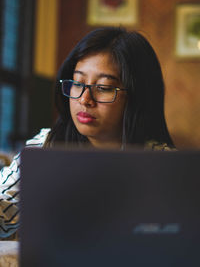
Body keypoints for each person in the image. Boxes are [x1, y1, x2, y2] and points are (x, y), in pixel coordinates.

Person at [0, 26, 175, 238]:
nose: (84, 99)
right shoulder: (47, 144)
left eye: (104, 87)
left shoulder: (165, 164)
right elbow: (5, 206)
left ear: (137, 97)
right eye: (77, 83)